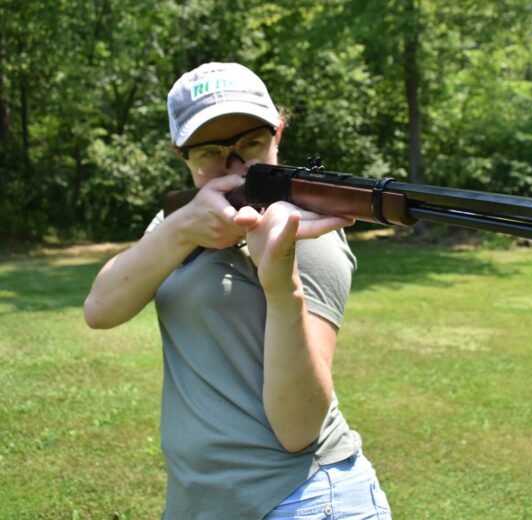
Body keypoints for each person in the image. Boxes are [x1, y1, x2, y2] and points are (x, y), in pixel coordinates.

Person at [84, 62, 391, 519]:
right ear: (180, 155)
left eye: (251, 143)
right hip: (204, 504)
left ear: (278, 134)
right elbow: (100, 308)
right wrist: (183, 229)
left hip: (300, 499)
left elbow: (298, 430)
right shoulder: (188, 218)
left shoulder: (310, 234)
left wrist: (280, 279)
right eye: (209, 151)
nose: (234, 167)